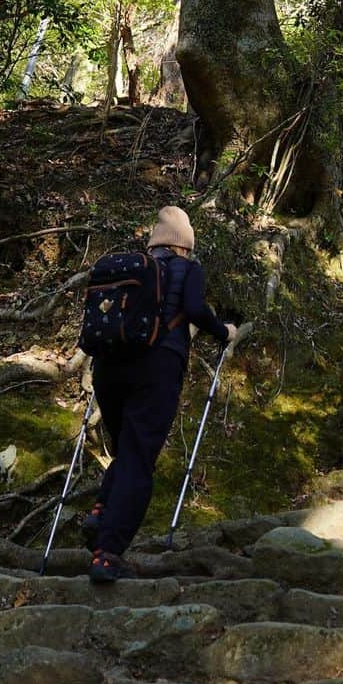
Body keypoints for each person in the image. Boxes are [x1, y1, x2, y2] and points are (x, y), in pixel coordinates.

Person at [84, 206, 237, 582]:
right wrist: (224, 332)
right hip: (156, 367)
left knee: (127, 451)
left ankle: (102, 511)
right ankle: (108, 555)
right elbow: (195, 309)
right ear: (185, 244)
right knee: (139, 459)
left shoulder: (126, 269)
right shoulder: (188, 269)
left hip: (107, 369)